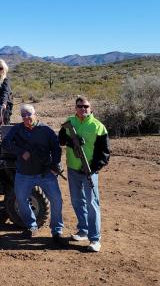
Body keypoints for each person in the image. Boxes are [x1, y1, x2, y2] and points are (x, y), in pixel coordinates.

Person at [3, 104, 66, 245]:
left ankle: (57, 231)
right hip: (24, 173)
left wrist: (55, 164)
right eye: (23, 115)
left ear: (35, 114)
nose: (26, 118)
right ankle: (31, 225)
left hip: (45, 173)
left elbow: (56, 149)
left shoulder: (46, 130)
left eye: (29, 114)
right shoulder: (17, 129)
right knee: (20, 199)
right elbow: (6, 143)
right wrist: (20, 151)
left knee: (56, 200)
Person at [59, 96, 110, 253]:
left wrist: (92, 168)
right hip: (72, 169)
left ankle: (95, 239)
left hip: (89, 171)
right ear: (76, 108)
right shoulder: (70, 122)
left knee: (92, 204)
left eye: (86, 106)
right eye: (80, 106)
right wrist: (71, 141)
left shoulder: (98, 127)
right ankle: (83, 230)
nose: (83, 109)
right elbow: (60, 139)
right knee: (76, 201)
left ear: (90, 107)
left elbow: (104, 153)